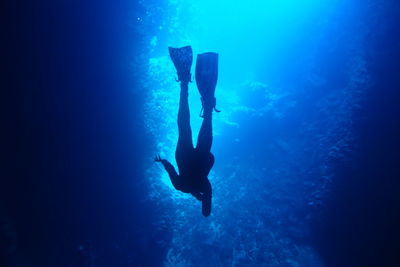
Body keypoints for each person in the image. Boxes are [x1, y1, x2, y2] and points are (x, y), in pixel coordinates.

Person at [155, 46, 219, 217]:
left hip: (197, 158)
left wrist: (199, 194)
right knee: (184, 125)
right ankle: (184, 83)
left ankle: (205, 103)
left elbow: (206, 193)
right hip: (185, 157)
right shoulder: (183, 187)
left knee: (204, 123)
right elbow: (170, 170)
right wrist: (162, 162)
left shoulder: (205, 187)